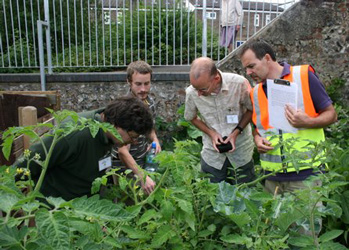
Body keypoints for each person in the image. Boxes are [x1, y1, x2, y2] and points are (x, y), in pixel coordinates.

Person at [239, 40, 337, 195]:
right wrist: (257, 139)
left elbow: (331, 114)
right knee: (273, 220)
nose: (248, 73)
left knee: (304, 220)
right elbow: (259, 128)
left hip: (306, 175)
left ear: (267, 58)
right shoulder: (255, 92)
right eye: (246, 69)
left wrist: (308, 122)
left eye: (251, 66)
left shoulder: (303, 76)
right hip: (272, 176)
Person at [16, 96, 154, 201]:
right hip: (56, 207)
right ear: (116, 125)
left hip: (83, 205)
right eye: (132, 136)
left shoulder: (107, 133)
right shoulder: (75, 134)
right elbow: (28, 161)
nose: (134, 142)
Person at [184, 57, 255, 184]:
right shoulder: (191, 92)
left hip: (241, 149)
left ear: (216, 78)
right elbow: (191, 117)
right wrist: (212, 134)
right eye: (196, 89)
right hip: (212, 154)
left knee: (245, 193)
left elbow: (251, 109)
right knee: (212, 195)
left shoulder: (238, 84)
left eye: (203, 89)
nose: (198, 94)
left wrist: (236, 133)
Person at [112, 61, 161, 195]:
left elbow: (149, 128)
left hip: (143, 161)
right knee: (128, 206)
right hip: (125, 169)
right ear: (129, 82)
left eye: (147, 83)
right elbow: (122, 151)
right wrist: (142, 176)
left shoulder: (149, 102)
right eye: (138, 84)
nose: (143, 89)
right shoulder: (124, 109)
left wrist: (155, 140)